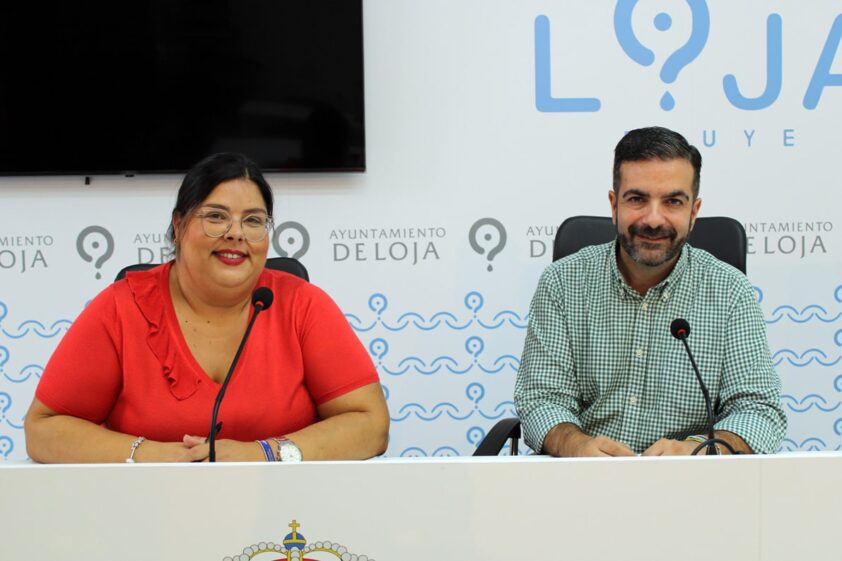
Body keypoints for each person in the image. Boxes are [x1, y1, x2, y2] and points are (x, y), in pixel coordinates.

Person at [25, 153, 389, 463]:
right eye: (216, 216)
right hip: (143, 514)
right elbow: (43, 429)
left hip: (285, 518)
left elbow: (371, 424)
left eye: (253, 220)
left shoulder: (302, 305)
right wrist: (152, 455)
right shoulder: (120, 308)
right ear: (179, 225)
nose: (236, 233)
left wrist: (264, 454)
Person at [514, 126, 786, 457]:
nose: (654, 219)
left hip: (691, 485)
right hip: (583, 480)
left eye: (673, 201)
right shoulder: (562, 282)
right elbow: (541, 398)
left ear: (693, 212)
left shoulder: (730, 292)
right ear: (614, 205)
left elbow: (759, 410)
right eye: (638, 199)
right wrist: (576, 445)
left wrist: (699, 449)